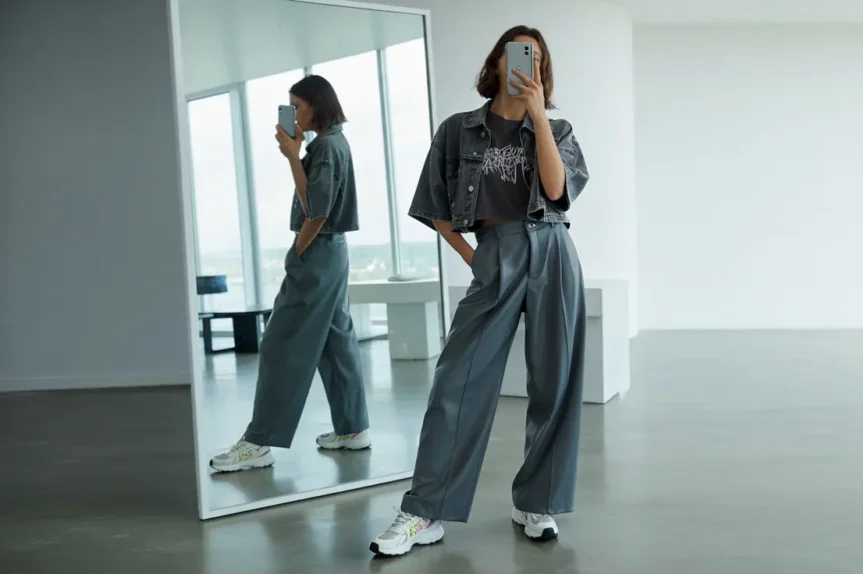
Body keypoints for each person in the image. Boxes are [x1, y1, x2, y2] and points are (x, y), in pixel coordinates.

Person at [370, 25, 590, 556]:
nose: (524, 65)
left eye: (534, 58)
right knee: (458, 381)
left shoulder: (556, 129)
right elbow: (435, 206)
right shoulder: (459, 130)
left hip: (553, 250)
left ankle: (536, 500)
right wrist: (478, 259)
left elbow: (558, 193)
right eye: (517, 54)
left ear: (541, 70)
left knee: (554, 383)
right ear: (496, 62)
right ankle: (426, 510)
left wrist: (538, 116)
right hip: (496, 247)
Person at [210, 75, 370, 473]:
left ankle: (259, 442)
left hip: (318, 252)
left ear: (317, 104)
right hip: (332, 254)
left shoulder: (328, 147)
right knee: (336, 339)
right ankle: (352, 429)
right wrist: (297, 156)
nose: (292, 114)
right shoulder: (331, 142)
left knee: (281, 342)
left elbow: (316, 207)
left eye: (297, 106)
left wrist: (300, 245)